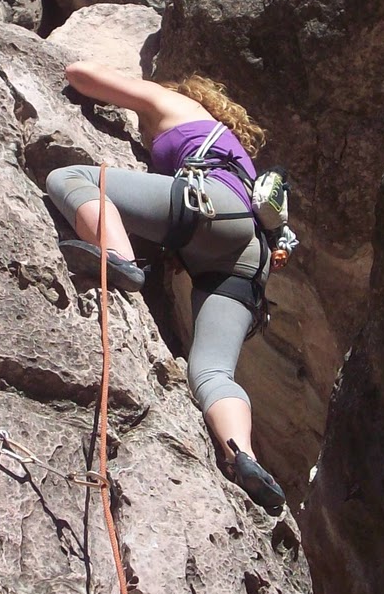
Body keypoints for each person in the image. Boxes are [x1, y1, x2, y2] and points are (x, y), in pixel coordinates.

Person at [45, 60, 286, 514]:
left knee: (69, 178)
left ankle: (117, 257)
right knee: (212, 373)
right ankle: (244, 457)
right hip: (250, 256)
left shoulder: (178, 103)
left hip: (210, 206)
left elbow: (80, 75)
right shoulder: (240, 156)